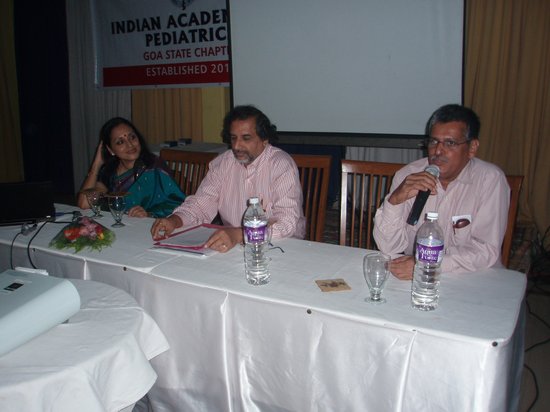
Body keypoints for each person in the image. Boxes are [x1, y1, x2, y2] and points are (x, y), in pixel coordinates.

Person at [373, 104, 510, 279]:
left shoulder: (489, 179)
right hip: (414, 277)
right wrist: (395, 201)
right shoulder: (408, 175)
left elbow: (485, 251)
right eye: (433, 141)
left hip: (472, 277)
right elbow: (388, 247)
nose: (438, 151)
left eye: (450, 143)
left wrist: (427, 264)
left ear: (472, 148)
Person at [150, 105, 306, 252]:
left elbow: (287, 222)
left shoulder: (281, 165)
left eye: (246, 138)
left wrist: (240, 234)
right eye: (233, 138)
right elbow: (201, 205)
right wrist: (175, 220)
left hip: (281, 246)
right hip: (233, 245)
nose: (237, 146)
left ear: (265, 139)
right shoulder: (224, 163)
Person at [77, 117, 185, 218]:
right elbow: (84, 203)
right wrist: (96, 165)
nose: (130, 144)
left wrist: (149, 214)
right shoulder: (110, 172)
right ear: (110, 150)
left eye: (132, 137)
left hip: (149, 226)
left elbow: (177, 203)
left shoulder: (153, 167)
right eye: (120, 142)